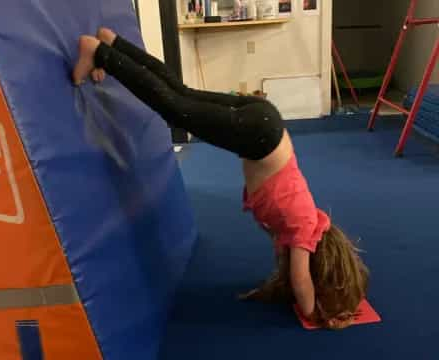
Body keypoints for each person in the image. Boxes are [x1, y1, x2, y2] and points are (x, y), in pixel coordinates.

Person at [72, 28, 369, 329]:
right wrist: (319, 314)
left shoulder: (308, 224)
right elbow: (301, 282)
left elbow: (291, 264)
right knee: (175, 108)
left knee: (181, 93)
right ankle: (99, 52)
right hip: (258, 136)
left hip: (265, 122)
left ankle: (115, 45)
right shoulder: (304, 233)